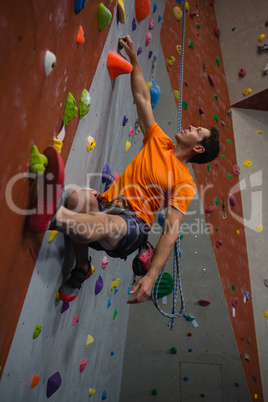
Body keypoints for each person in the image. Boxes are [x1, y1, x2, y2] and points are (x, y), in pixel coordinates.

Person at [51, 35, 220, 304]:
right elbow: (142, 97)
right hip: (110, 202)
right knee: (76, 198)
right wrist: (135, 61)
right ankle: (82, 267)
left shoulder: (184, 182)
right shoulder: (159, 140)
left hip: (133, 224)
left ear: (198, 148)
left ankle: (52, 216)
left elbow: (171, 229)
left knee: (106, 225)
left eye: (196, 131)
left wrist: (152, 276)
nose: (190, 127)